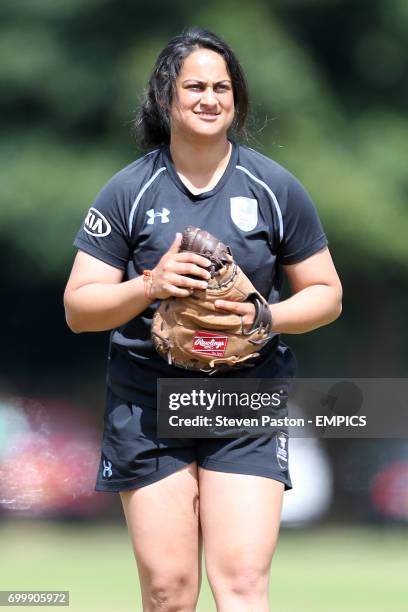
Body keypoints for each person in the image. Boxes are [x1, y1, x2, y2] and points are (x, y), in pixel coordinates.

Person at [64, 27, 342, 612]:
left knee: (241, 581)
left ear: (236, 99)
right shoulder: (129, 190)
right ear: (167, 98)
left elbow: (326, 294)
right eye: (195, 86)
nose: (210, 98)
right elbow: (79, 308)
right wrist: (150, 285)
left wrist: (267, 318)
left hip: (245, 400)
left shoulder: (273, 187)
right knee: (169, 592)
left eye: (222, 86)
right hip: (146, 402)